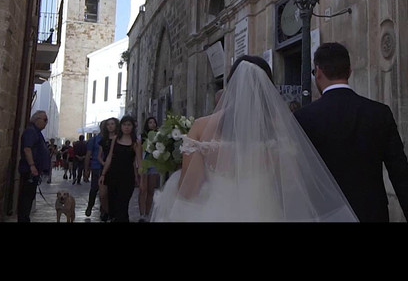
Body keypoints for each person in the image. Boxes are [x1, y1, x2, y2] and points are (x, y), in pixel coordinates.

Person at [151, 55, 357, 222]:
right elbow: (290, 188)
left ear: (230, 85)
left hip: (213, 212)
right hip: (266, 211)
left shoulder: (201, 127)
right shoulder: (280, 130)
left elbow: (190, 190)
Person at [294, 42, 408, 223]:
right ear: (349, 71)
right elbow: (400, 174)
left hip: (324, 214)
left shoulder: (303, 117)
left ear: (319, 72)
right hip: (372, 214)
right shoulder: (379, 113)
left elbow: (298, 177)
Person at [99, 115, 141, 223]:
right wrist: (103, 174)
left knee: (123, 204)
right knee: (113, 204)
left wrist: (140, 177)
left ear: (132, 127)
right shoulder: (115, 139)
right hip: (113, 175)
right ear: (121, 126)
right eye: (124, 125)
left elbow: (138, 162)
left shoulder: (136, 143)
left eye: (129, 125)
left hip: (127, 177)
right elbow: (109, 157)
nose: (126, 127)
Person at [17, 110, 51, 223]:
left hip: (35, 170)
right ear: (37, 120)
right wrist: (32, 165)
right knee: (26, 196)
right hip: (30, 170)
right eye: (45, 120)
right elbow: (27, 149)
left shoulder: (36, 132)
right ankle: (23, 219)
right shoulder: (31, 132)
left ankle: (25, 218)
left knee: (29, 196)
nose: (46, 122)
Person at [137, 116, 160, 222]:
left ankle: (147, 213)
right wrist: (139, 165)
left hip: (154, 165)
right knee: (143, 190)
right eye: (150, 122)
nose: (152, 124)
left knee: (151, 190)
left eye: (154, 122)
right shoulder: (141, 137)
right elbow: (139, 151)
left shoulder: (160, 136)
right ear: (147, 124)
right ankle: (142, 214)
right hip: (144, 163)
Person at [85, 120, 106, 218]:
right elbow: (88, 154)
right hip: (96, 167)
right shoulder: (94, 140)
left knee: (105, 191)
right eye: (103, 126)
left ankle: (103, 209)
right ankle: (90, 206)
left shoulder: (111, 139)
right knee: (94, 189)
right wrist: (86, 169)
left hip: (107, 168)